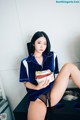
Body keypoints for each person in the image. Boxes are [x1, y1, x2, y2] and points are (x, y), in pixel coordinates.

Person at [19, 31, 80, 120]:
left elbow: (55, 76)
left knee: (69, 66)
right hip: (37, 97)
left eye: (45, 43)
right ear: (33, 43)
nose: (42, 46)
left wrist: (68, 77)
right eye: (39, 43)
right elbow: (25, 83)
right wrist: (37, 87)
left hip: (53, 92)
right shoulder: (25, 62)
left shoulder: (52, 56)